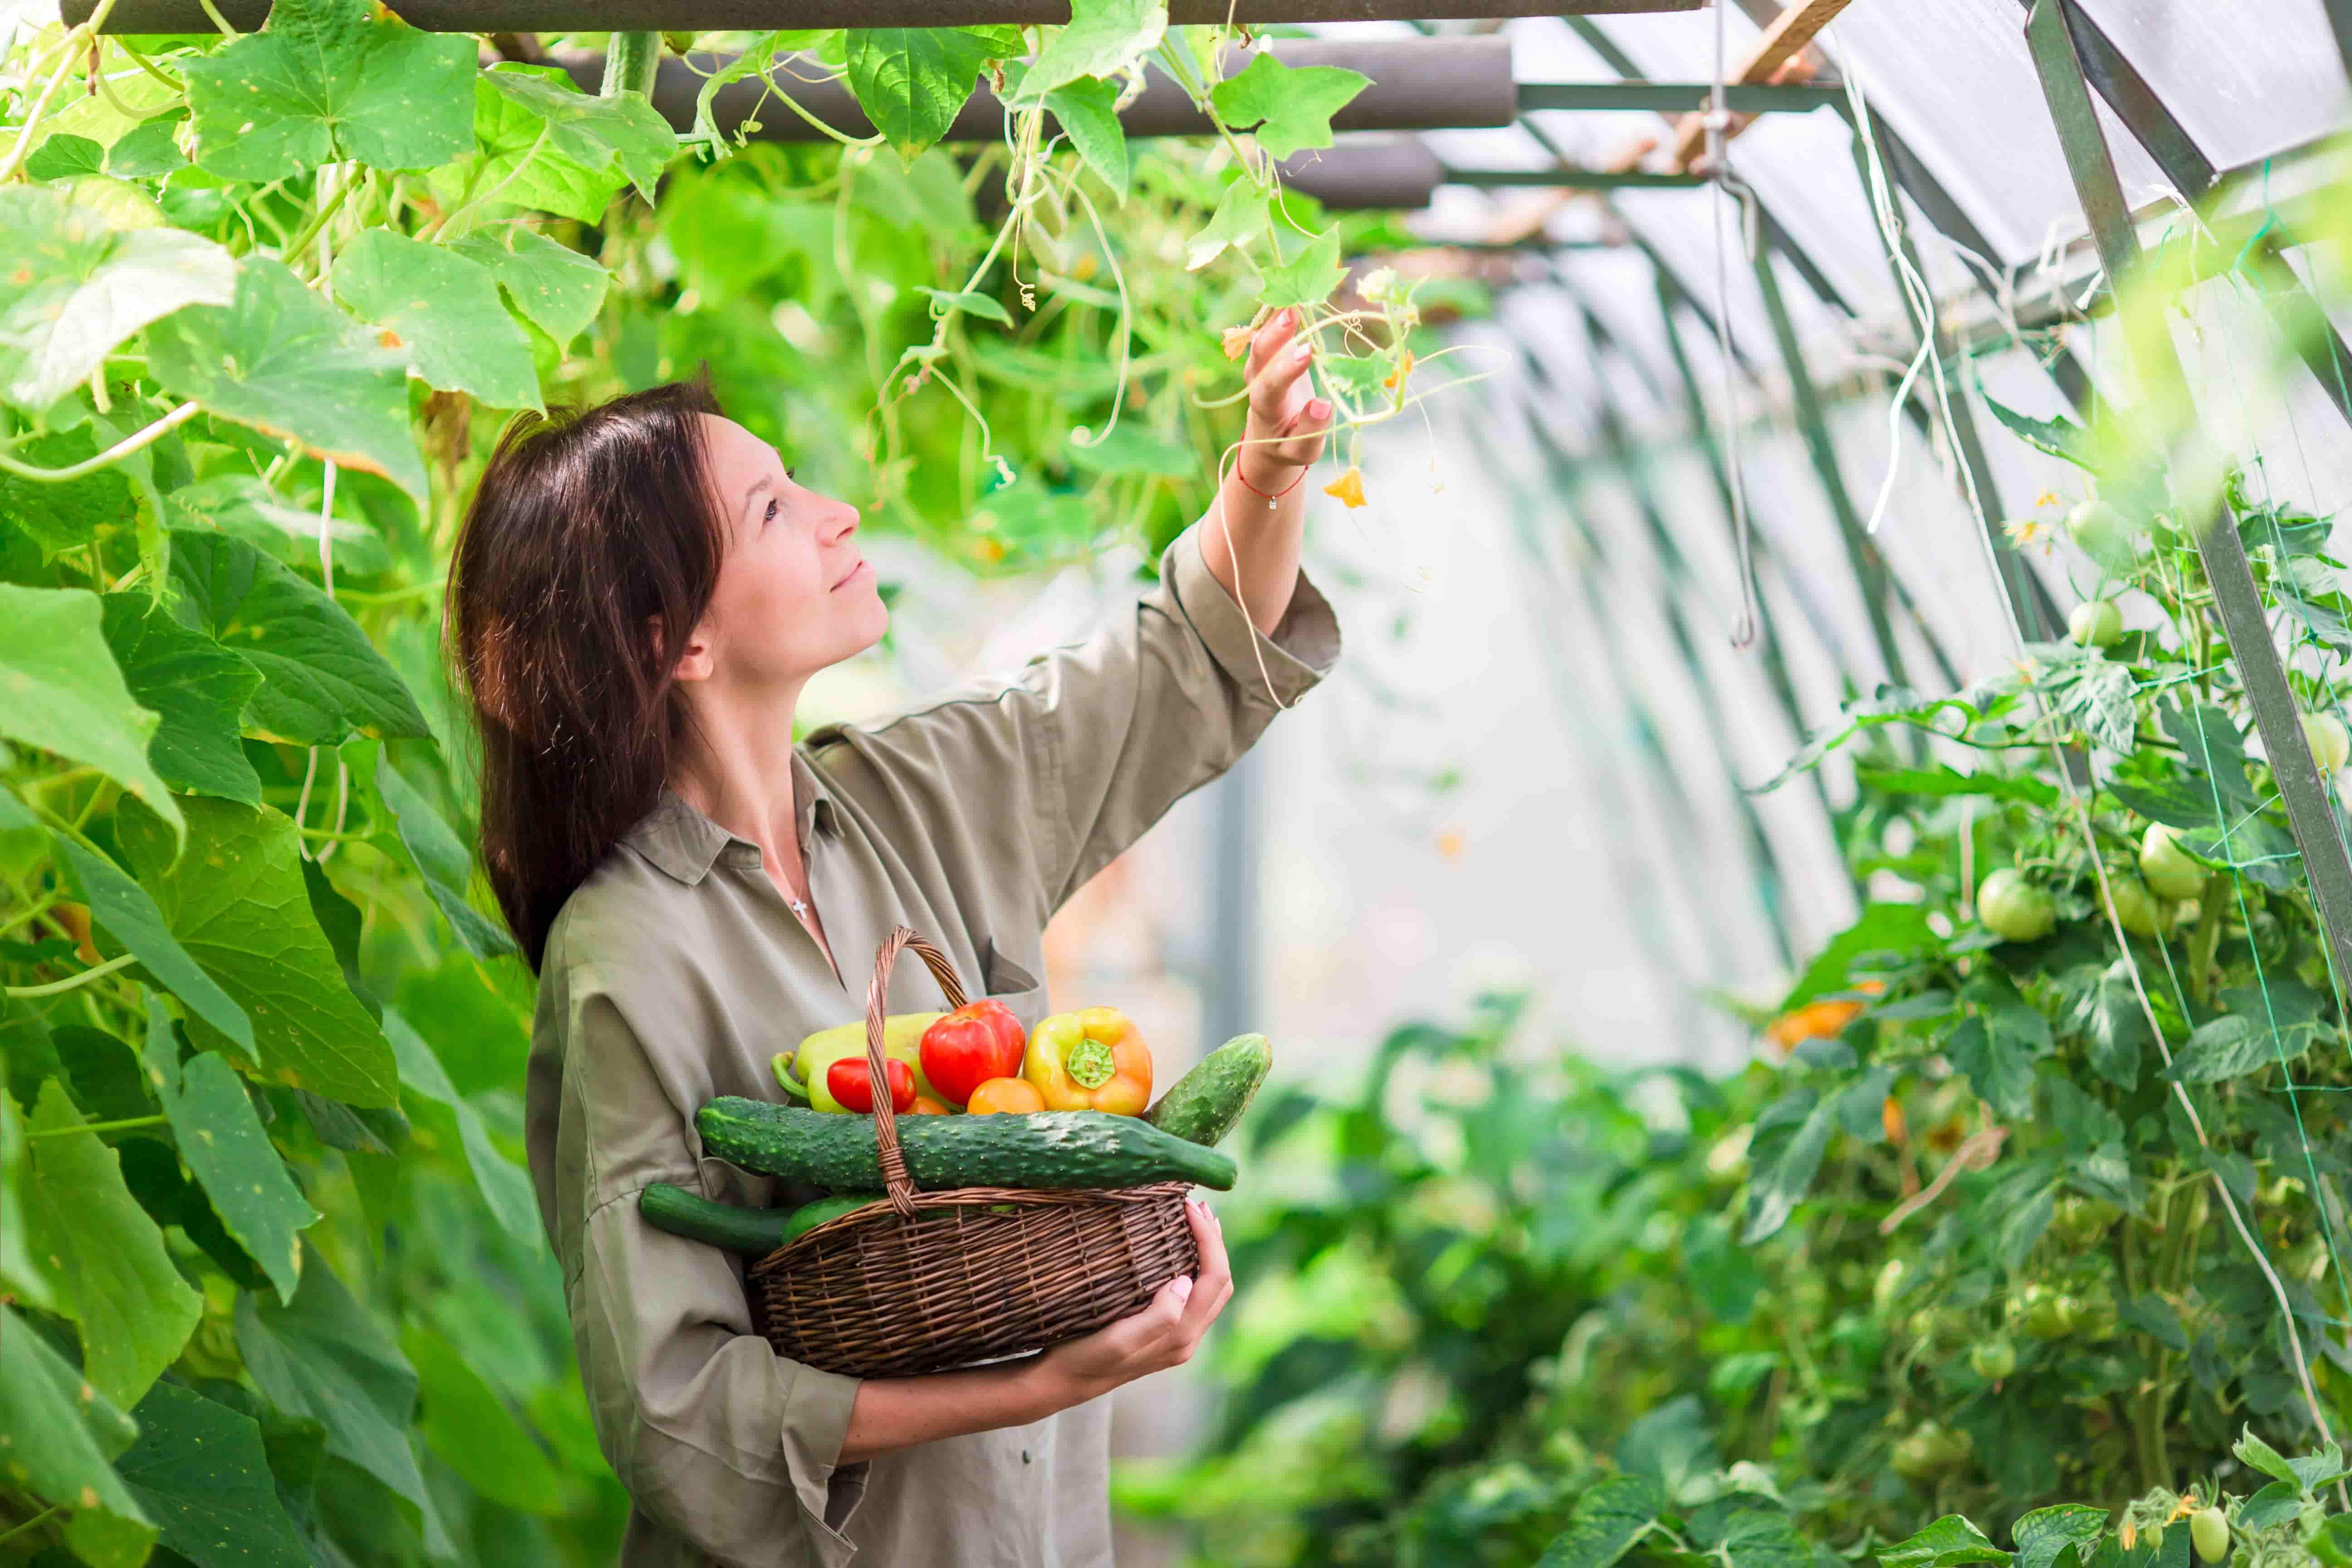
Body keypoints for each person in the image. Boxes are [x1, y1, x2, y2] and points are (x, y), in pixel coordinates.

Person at [446, 307, 1340, 1567]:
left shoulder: (918, 794)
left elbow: (1193, 661)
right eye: (771, 510)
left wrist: (1268, 470)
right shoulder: (627, 956)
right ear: (674, 640)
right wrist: (1047, 1383)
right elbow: (679, 1411)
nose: (836, 514)